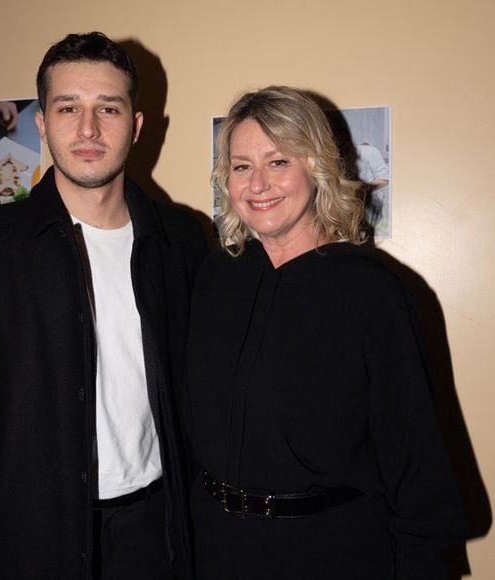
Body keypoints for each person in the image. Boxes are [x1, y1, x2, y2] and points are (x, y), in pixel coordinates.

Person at [0, 32, 207, 579]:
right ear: (43, 123)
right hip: (31, 544)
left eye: (109, 108)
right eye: (68, 107)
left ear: (137, 126)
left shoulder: (183, 241)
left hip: (157, 538)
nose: (89, 128)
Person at [183, 86, 467, 579]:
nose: (257, 184)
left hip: (331, 550)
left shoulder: (372, 292)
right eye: (241, 165)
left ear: (315, 166)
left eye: (277, 162)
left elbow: (412, 456)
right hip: (215, 547)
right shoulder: (213, 277)